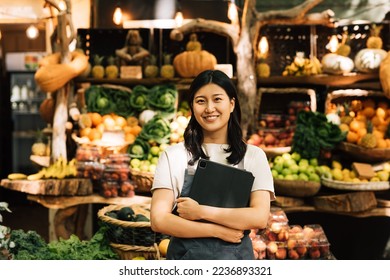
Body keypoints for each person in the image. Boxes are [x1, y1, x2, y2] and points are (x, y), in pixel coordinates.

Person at [150, 69, 275, 260]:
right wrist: (216, 231)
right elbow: (159, 220)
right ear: (192, 106)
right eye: (201, 101)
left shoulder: (254, 156)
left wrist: (200, 211)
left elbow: (258, 217)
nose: (209, 108)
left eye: (217, 99)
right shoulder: (174, 155)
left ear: (232, 104)